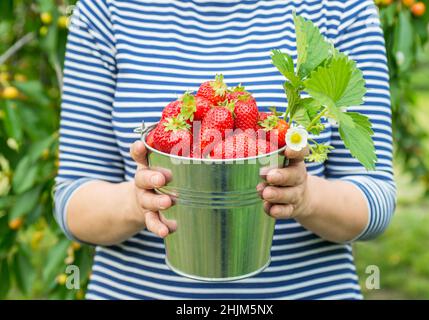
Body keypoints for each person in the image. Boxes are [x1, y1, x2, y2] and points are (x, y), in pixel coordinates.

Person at [54, 0, 396, 299]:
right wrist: (139, 200)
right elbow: (72, 203)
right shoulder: (105, 10)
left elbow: (376, 199)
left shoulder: (342, 8)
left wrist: (305, 198)